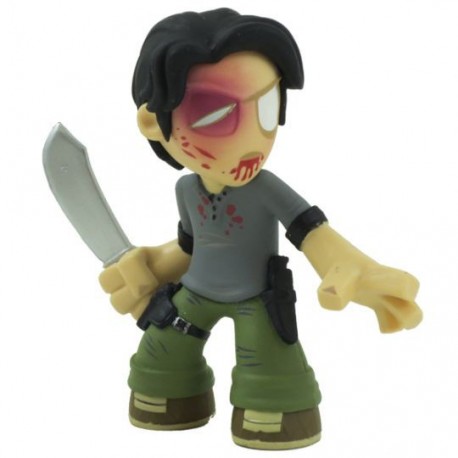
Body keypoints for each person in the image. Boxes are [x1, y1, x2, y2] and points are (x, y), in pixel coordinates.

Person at [99, 8, 422, 450]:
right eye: (215, 116)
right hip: (193, 294)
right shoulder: (186, 189)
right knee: (161, 355)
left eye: (267, 108)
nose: (252, 138)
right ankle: (172, 399)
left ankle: (275, 415)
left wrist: (351, 267)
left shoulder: (265, 188)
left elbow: (311, 231)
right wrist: (153, 264)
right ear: (154, 122)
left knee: (270, 369)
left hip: (257, 298)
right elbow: (190, 246)